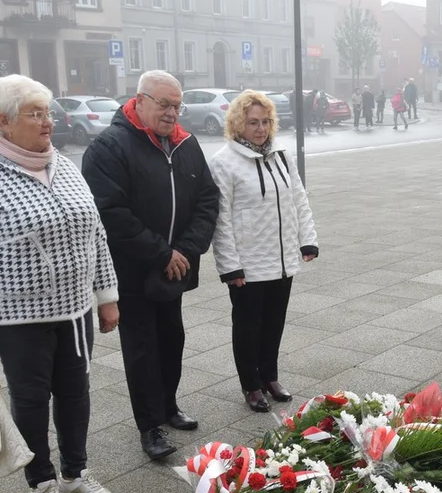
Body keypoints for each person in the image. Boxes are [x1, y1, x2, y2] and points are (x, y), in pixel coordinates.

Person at [0, 74, 120, 493]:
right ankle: (41, 484)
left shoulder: (62, 163)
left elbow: (95, 232)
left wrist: (107, 296)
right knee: (32, 400)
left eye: (48, 113)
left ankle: (75, 476)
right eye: (35, 114)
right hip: (17, 316)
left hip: (75, 308)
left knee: (76, 394)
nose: (47, 123)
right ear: (3, 122)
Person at [81, 70, 219, 460]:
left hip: (174, 269)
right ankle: (149, 425)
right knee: (142, 347)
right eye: (164, 104)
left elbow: (208, 199)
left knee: (172, 338)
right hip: (134, 270)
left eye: (177, 105)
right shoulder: (110, 146)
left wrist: (187, 251)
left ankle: (168, 405)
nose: (172, 113)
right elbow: (110, 213)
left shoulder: (185, 144)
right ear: (139, 101)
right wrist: (162, 252)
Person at [210, 92, 319, 412]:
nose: (260, 128)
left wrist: (307, 239)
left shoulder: (282, 156)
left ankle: (269, 376)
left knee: (274, 322)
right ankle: (251, 385)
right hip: (248, 262)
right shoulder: (223, 162)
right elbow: (222, 218)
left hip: (282, 258)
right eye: (253, 122)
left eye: (266, 121)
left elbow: (299, 200)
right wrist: (230, 266)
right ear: (237, 124)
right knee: (248, 326)